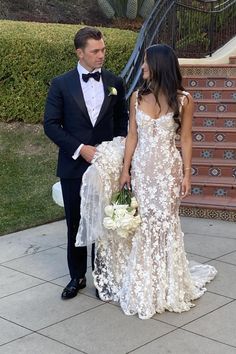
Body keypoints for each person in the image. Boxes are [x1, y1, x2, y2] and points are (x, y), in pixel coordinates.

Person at [93, 44, 217, 319]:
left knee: (166, 224)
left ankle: (168, 283)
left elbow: (185, 139)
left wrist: (187, 173)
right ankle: (145, 282)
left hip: (168, 171)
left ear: (159, 65)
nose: (142, 67)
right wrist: (126, 170)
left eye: (146, 63)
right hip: (143, 171)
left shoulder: (184, 100)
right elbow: (133, 136)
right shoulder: (137, 96)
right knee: (145, 225)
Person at [44, 27, 128, 300]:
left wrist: (115, 154)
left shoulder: (116, 82)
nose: (101, 55)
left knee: (105, 224)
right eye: (95, 51)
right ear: (80, 53)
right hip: (73, 167)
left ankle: (102, 279)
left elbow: (121, 123)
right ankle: (76, 276)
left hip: (106, 166)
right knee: (75, 223)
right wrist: (80, 149)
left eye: (103, 49)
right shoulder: (61, 84)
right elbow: (51, 125)